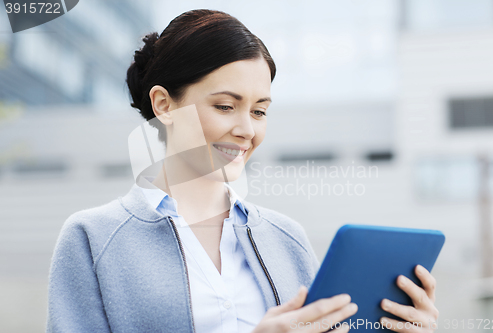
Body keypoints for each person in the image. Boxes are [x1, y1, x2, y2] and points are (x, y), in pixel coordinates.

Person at [46, 9, 439, 333]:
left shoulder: (287, 240)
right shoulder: (93, 239)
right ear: (164, 104)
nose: (247, 130)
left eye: (259, 111)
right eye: (224, 106)